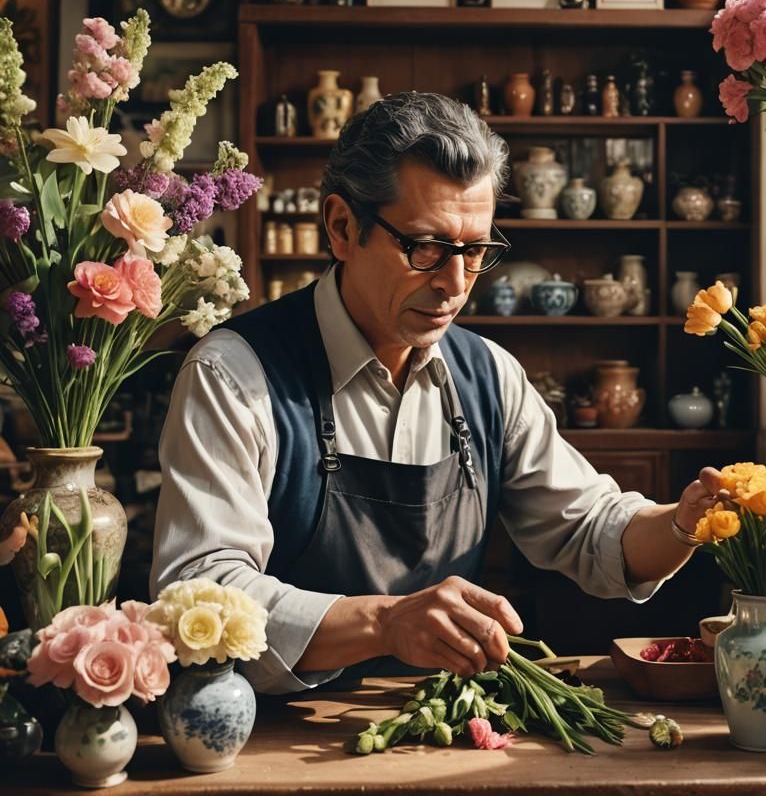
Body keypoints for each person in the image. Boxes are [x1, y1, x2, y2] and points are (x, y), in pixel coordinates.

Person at [151, 93, 727, 694]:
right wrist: (385, 622)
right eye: (425, 247)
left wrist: (685, 522)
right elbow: (200, 590)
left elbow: (590, 530)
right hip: (266, 738)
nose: (455, 284)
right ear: (343, 227)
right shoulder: (234, 375)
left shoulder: (489, 376)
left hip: (436, 723)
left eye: (475, 251)